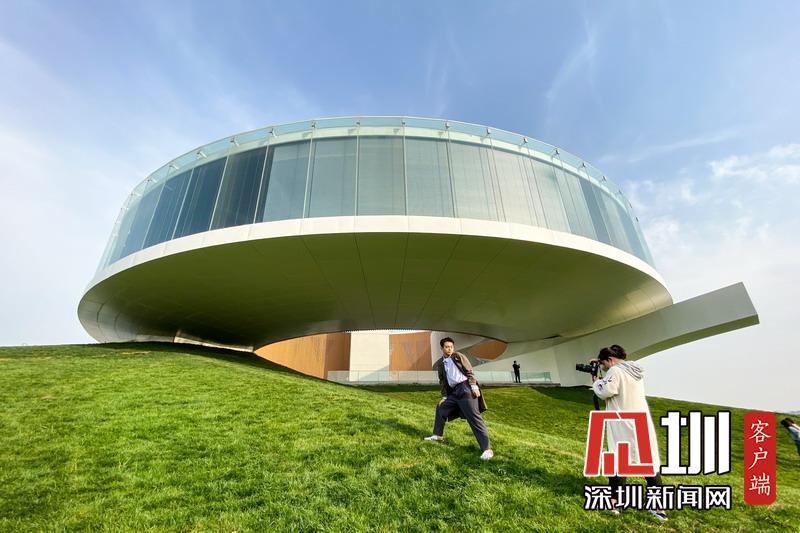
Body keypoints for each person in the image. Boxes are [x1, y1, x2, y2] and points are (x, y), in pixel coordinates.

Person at [591, 344, 667, 521]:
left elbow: (606, 391)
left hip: (623, 423)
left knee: (618, 460)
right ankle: (658, 508)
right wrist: (603, 375)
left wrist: (595, 380)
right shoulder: (634, 371)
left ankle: (615, 503)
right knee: (648, 462)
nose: (603, 367)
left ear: (610, 360)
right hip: (640, 422)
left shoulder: (615, 371)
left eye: (603, 363)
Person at [424, 337, 494, 460]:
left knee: (474, 418)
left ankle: (487, 449)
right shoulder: (440, 363)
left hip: (466, 389)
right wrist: (445, 396)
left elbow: (469, 371)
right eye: (447, 347)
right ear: (442, 348)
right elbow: (442, 381)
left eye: (451, 347)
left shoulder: (458, 356)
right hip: (454, 392)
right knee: (441, 408)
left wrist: (474, 386)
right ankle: (438, 435)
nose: (449, 349)